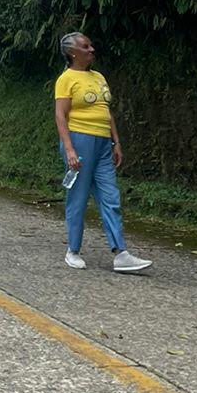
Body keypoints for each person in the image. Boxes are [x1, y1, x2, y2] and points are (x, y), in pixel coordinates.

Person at [54, 33, 151, 272]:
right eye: (85, 46)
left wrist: (116, 142)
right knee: (78, 197)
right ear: (72, 53)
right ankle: (73, 250)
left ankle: (121, 253)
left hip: (103, 143)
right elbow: (60, 116)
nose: (91, 49)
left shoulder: (98, 77)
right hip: (80, 141)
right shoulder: (66, 79)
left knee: (111, 196)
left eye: (91, 45)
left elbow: (106, 111)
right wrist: (69, 149)